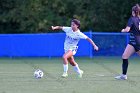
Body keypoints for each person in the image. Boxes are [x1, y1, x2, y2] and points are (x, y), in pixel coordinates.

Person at [115, 4, 140, 80]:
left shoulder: (132, 19)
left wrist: (123, 30)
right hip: (136, 42)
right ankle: (123, 75)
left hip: (134, 42)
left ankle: (124, 75)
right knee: (124, 56)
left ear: (133, 11)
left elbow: (127, 30)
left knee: (124, 57)